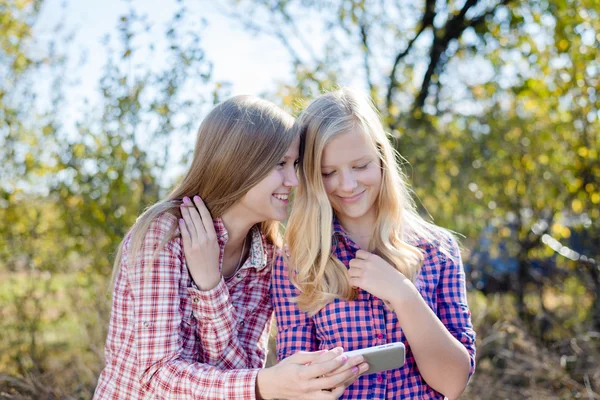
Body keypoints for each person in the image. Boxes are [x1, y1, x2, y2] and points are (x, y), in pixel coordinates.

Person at [94, 95, 368, 400]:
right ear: (239, 164)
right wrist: (268, 384)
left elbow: (242, 370)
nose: (294, 180)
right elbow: (157, 376)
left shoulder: (267, 256)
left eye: (295, 165)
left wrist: (210, 288)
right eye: (281, 164)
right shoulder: (165, 235)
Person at [272, 88, 476, 399]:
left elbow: (453, 382)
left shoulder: (437, 249)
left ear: (381, 159)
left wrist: (403, 295)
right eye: (328, 173)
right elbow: (296, 389)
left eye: (361, 166)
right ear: (311, 177)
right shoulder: (296, 262)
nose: (348, 185)